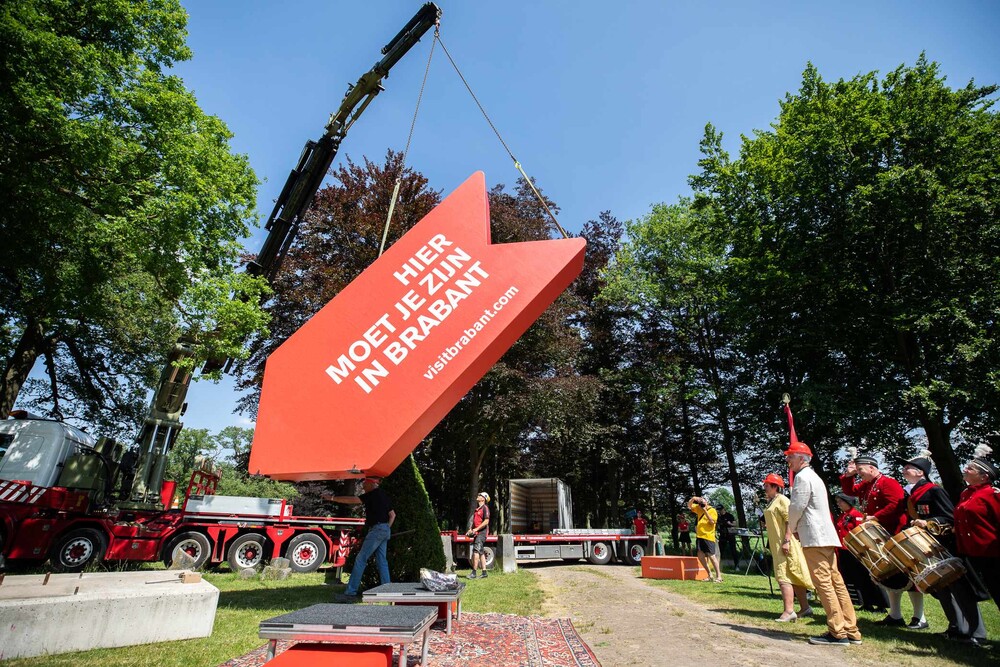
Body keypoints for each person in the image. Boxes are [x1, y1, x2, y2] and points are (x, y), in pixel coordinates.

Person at [899, 450, 986, 644]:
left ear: (921, 472)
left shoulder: (933, 490)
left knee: (961, 590)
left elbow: (948, 516)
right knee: (943, 589)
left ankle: (977, 632)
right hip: (930, 546)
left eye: (909, 467)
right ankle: (956, 627)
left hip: (946, 546)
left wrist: (928, 522)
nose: (904, 470)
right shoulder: (915, 492)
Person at [785, 440, 862, 646]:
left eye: (790, 456)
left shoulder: (802, 477)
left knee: (824, 583)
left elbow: (796, 507)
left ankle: (837, 632)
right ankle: (851, 629)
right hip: (825, 537)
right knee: (836, 582)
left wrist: (789, 530)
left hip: (814, 537)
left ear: (802, 459)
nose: (788, 460)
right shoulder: (814, 477)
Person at [841, 453, 926, 629]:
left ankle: (920, 617)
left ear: (872, 468)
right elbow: (850, 491)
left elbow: (895, 505)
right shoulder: (867, 485)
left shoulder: (888, 483)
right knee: (890, 576)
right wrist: (848, 476)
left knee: (910, 577)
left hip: (895, 534)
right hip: (881, 535)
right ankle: (895, 615)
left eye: (861, 470)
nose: (859, 474)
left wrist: (875, 517)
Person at [761, 473, 814, 621]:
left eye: (767, 485)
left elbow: (789, 521)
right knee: (793, 575)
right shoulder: (772, 501)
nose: (764, 488)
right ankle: (805, 608)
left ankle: (789, 611)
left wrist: (787, 540)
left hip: (784, 543)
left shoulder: (783, 500)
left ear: (775, 487)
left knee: (783, 576)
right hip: (777, 543)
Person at [954, 445, 1000, 612]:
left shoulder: (993, 494)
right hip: (971, 552)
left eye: (970, 468)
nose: (965, 469)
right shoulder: (966, 493)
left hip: (991, 553)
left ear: (984, 476)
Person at [337, 477, 395, 601]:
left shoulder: (371, 494)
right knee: (381, 560)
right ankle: (387, 589)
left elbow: (352, 500)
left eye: (364, 483)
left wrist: (332, 498)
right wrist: (385, 529)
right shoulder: (384, 495)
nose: (362, 486)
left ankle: (350, 592)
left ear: (371, 484)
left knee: (361, 559)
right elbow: (392, 515)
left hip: (377, 529)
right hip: (384, 529)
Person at [833, 492, 888, 612]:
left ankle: (880, 604)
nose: (838, 504)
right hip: (844, 551)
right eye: (837, 502)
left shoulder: (856, 515)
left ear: (847, 502)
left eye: (840, 502)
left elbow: (860, 532)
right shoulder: (843, 515)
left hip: (855, 551)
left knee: (866, 577)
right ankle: (866, 602)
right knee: (856, 578)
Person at [689, 496, 722, 582]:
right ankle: (709, 574)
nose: (701, 505)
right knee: (700, 556)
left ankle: (719, 576)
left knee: (712, 556)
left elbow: (712, 522)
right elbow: (689, 506)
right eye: (700, 503)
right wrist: (693, 499)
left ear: (707, 502)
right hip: (700, 536)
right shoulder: (699, 508)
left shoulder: (712, 510)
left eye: (703, 503)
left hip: (708, 536)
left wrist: (705, 511)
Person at [466, 491, 491, 579]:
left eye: (480, 495)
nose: (478, 496)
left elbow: (486, 521)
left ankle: (474, 573)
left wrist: (476, 529)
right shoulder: (477, 510)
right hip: (477, 533)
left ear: (483, 498)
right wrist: (471, 530)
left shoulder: (485, 508)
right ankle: (484, 573)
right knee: (481, 552)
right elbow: (475, 523)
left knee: (476, 552)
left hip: (482, 533)